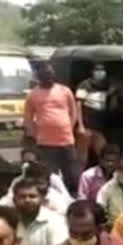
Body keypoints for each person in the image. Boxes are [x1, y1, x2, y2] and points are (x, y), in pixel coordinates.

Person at [23, 62, 79, 193]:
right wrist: (34, 134)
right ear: (39, 76)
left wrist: (68, 127)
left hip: (66, 140)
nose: (49, 76)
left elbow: (73, 111)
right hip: (45, 143)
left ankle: (73, 198)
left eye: (50, 73)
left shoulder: (65, 91)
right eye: (45, 74)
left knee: (72, 174)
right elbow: (28, 117)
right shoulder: (33, 94)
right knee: (50, 175)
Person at [13, 178, 67, 245]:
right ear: (14, 200)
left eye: (32, 196)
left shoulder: (55, 222)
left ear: (42, 199)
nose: (27, 200)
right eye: (22, 197)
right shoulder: (8, 222)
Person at [0, 160, 72, 216]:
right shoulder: (19, 192)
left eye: (32, 196)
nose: (27, 200)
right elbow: (5, 203)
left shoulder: (56, 199)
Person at [75, 63, 111, 164]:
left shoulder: (106, 85)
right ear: (93, 72)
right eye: (97, 71)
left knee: (103, 152)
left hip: (98, 126)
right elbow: (78, 105)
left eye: (102, 71)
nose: (100, 73)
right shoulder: (84, 85)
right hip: (86, 126)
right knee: (82, 156)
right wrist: (80, 125)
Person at [96, 153, 123, 225]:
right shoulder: (106, 188)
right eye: (121, 168)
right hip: (112, 228)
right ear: (116, 169)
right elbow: (100, 210)